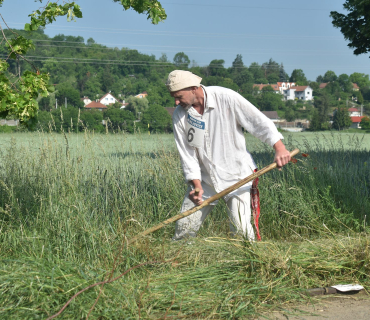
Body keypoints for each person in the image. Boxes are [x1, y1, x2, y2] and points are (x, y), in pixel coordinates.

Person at [166, 70, 291, 241]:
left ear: (194, 88)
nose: (176, 101)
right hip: (204, 181)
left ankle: (250, 264)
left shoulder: (226, 98)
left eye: (179, 96)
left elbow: (257, 121)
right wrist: (196, 185)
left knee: (241, 231)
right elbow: (187, 154)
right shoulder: (180, 115)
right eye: (173, 97)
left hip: (237, 176)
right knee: (184, 228)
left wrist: (279, 148)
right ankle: (175, 263)